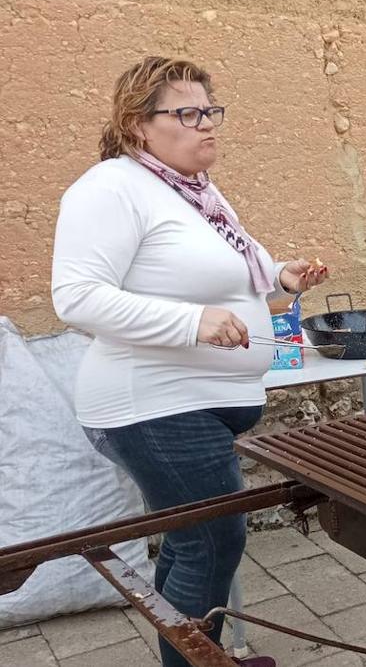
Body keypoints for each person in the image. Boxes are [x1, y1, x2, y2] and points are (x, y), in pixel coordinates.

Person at [51, 57, 328, 667]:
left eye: (210, 111)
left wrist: (282, 275)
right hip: (152, 404)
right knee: (212, 542)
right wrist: (191, 322)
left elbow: (238, 271)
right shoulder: (111, 188)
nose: (207, 125)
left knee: (188, 544)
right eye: (187, 113)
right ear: (136, 125)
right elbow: (76, 296)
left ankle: (194, 655)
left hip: (193, 402)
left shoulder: (195, 193)